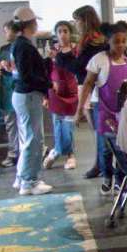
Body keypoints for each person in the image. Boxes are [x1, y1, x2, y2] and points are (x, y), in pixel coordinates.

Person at [75, 22, 127, 196]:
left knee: (122, 148)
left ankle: (120, 181)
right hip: (104, 110)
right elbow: (88, 84)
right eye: (116, 41)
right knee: (105, 148)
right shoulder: (99, 60)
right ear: (108, 41)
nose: (121, 45)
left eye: (123, 41)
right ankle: (107, 177)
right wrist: (79, 109)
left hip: (124, 113)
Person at [9, 7, 53, 195]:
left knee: (28, 138)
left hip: (24, 95)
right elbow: (27, 75)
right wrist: (48, 84)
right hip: (28, 95)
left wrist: (46, 63)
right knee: (33, 139)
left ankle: (22, 177)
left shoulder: (19, 44)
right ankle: (29, 181)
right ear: (29, 24)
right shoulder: (24, 46)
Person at [64, 5, 108, 179]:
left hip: (93, 89)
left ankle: (101, 165)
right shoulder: (95, 39)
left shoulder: (92, 42)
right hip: (92, 88)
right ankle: (100, 164)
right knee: (99, 131)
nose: (75, 24)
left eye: (77, 20)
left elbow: (80, 67)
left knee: (99, 131)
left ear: (85, 20)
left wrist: (62, 57)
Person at [43, 21, 78, 171]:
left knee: (67, 126)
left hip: (71, 92)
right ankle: (57, 150)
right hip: (55, 92)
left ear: (70, 33)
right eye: (59, 31)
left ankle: (67, 154)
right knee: (57, 124)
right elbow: (46, 73)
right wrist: (45, 96)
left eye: (65, 31)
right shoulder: (51, 51)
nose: (63, 34)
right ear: (56, 34)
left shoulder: (76, 51)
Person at [0, 21, 19, 168]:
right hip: (7, 91)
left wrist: (11, 68)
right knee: (10, 124)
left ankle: (26, 153)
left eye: (6, 31)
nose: (5, 34)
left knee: (23, 124)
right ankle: (13, 153)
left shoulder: (23, 47)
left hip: (20, 90)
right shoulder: (3, 49)